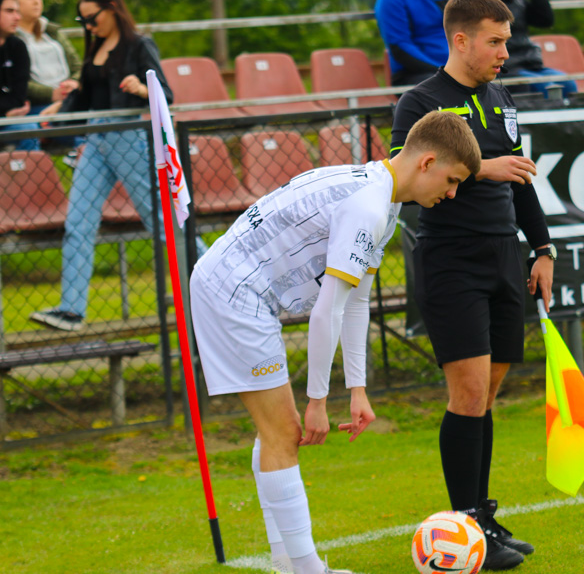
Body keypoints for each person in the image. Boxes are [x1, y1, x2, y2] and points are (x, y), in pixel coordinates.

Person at [189, 111, 482, 574]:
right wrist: (318, 400)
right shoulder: (369, 206)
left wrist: (358, 390)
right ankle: (306, 569)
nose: (451, 194)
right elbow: (326, 311)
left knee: (274, 432)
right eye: (452, 180)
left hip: (236, 286)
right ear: (426, 162)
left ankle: (288, 562)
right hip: (233, 290)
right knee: (284, 432)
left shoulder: (382, 199)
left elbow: (356, 302)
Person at [390, 0, 554, 569]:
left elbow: (522, 179)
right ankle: (464, 530)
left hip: (505, 256)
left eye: (507, 42)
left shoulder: (500, 96)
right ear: (460, 42)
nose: (506, 53)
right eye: (495, 43)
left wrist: (543, 248)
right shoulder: (420, 101)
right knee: (466, 395)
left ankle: (481, 519)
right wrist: (482, 166)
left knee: (485, 397)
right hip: (451, 261)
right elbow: (405, 171)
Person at [29, 0, 205, 332]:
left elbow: (165, 95)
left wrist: (141, 88)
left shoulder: (139, 44)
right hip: (96, 140)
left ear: (112, 9)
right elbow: (85, 96)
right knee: (78, 221)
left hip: (126, 138)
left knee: (161, 218)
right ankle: (71, 309)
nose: (88, 26)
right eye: (83, 20)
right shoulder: (94, 44)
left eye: (92, 18)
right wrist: (58, 111)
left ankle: (215, 275)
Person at [16, 0, 82, 159]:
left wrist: (74, 82)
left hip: (69, 99)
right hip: (36, 106)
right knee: (77, 133)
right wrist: (51, 94)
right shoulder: (11, 39)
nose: (36, 2)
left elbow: (78, 66)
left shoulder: (52, 32)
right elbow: (17, 81)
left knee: (99, 123)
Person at [501, 0, 578, 97]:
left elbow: (545, 20)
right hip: (507, 65)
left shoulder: (518, 2)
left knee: (568, 84)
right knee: (545, 87)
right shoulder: (486, 6)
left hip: (530, 63)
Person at [375, 0, 449, 86]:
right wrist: (442, 71)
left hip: (454, 69)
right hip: (414, 73)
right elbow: (400, 48)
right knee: (446, 87)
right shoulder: (390, 1)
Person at [0, 0, 40, 151]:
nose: (17, 17)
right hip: (8, 115)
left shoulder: (17, 46)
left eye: (18, 12)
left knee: (30, 126)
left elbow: (19, 95)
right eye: (10, 11)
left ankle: (31, 174)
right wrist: (5, 112)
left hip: (12, 117)